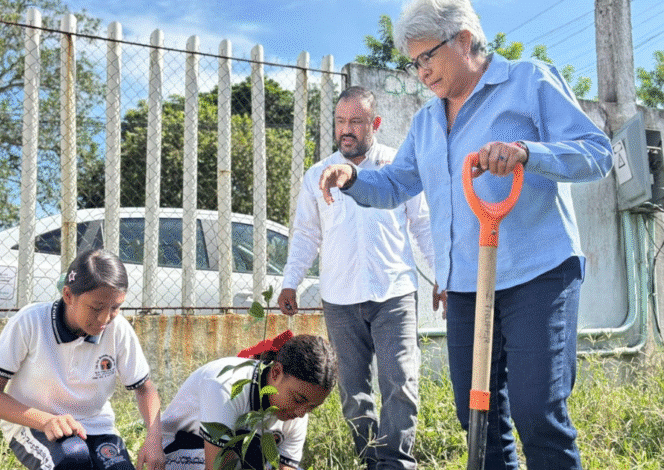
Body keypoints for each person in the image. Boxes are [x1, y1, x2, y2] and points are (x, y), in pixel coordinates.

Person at [318, 1, 613, 469]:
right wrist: (353, 179)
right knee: (477, 418)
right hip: (466, 288)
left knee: (538, 413)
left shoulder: (528, 81)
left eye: (427, 56)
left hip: (538, 275)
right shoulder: (426, 122)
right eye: (413, 63)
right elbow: (396, 184)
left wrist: (526, 152)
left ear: (463, 39)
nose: (421, 71)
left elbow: (596, 153)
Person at [277, 86, 435, 470]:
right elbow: (306, 234)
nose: (346, 129)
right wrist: (290, 281)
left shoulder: (398, 167)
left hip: (395, 293)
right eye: (340, 121)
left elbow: (423, 226)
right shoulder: (316, 175)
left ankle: (395, 463)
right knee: (352, 390)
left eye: (356, 121)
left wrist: (442, 277)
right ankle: (370, 460)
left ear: (375, 123)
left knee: (401, 382)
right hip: (340, 298)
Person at [0, 249, 165, 470]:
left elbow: (144, 389)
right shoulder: (30, 322)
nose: (105, 318)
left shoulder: (118, 329)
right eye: (96, 307)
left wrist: (154, 438)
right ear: (68, 295)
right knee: (73, 458)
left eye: (115, 307)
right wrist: (45, 420)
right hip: (33, 424)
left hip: (95, 425)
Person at [160, 331, 337, 470]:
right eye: (298, 400)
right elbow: (217, 467)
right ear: (276, 372)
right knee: (248, 456)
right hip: (180, 453)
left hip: (241, 458)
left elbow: (286, 466)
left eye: (312, 407)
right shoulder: (226, 387)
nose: (301, 413)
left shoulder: (298, 408)